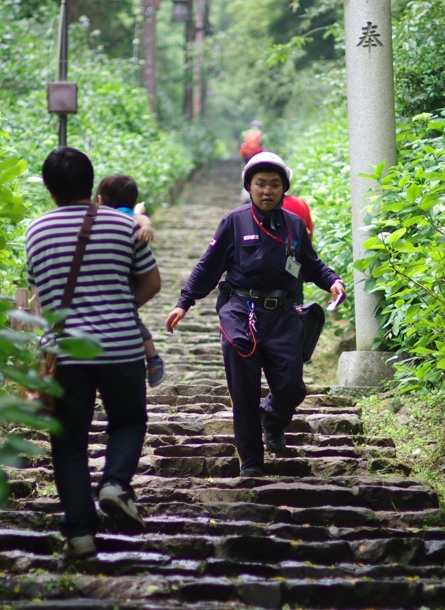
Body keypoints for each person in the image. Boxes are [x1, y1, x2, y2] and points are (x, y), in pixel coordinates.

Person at [164, 152, 345, 477]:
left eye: (275, 185)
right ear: (249, 186)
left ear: (283, 189)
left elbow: (310, 263)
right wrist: (184, 301)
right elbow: (208, 265)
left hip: (284, 317)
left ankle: (272, 419)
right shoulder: (234, 222)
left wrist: (332, 280)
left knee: (292, 386)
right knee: (244, 391)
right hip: (240, 313)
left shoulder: (294, 225)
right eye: (260, 184)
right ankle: (251, 461)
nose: (267, 191)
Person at [25, 147, 161, 558]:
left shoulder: (36, 231)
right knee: (129, 421)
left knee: (68, 441)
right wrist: (116, 307)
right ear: (92, 183)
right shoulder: (124, 228)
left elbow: (41, 298)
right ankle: (116, 484)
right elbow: (151, 284)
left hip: (65, 352)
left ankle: (80, 533)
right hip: (120, 346)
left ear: (49, 188)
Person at [95, 173, 166, 386]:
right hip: (128, 280)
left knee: (134, 321)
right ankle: (153, 359)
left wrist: (145, 224)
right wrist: (146, 224)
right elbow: (139, 215)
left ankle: (153, 359)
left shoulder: (109, 220)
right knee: (133, 319)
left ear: (99, 200)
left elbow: (139, 217)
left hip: (121, 281)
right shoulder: (129, 216)